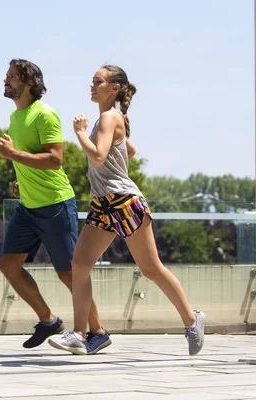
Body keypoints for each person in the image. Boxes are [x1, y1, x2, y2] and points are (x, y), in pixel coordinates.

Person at [48, 65, 206, 356]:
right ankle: (81, 334)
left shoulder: (109, 117)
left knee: (151, 268)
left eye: (98, 81)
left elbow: (96, 156)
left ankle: (192, 320)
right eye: (92, 81)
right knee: (79, 266)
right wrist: (105, 170)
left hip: (124, 202)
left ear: (114, 88)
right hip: (102, 203)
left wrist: (80, 134)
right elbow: (127, 151)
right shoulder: (107, 119)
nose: (92, 85)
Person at [0, 59, 108, 350]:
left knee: (69, 273)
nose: (5, 81)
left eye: (12, 77)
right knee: (8, 265)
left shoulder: (45, 114)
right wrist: (22, 180)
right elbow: (28, 158)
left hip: (56, 205)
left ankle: (98, 332)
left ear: (29, 83)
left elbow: (55, 159)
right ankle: (49, 321)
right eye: (6, 77)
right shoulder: (15, 117)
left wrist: (13, 156)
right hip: (28, 207)